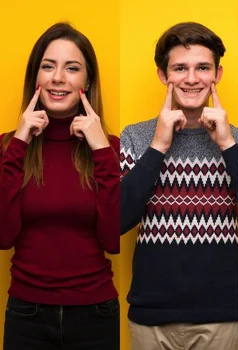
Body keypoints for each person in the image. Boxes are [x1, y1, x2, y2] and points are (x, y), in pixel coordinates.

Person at [119, 22, 238, 350]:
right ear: (162, 75)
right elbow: (116, 220)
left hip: (222, 315)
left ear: (218, 74)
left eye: (203, 68)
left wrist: (227, 144)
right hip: (151, 317)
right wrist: (158, 146)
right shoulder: (135, 136)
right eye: (180, 68)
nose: (191, 78)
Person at [0, 22, 119, 349]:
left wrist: (101, 152)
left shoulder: (110, 149)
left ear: (87, 80)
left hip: (96, 314)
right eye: (48, 66)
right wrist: (20, 143)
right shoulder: (8, 147)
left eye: (72, 68)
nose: (58, 78)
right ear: (35, 78)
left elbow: (111, 240)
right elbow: (3, 236)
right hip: (26, 314)